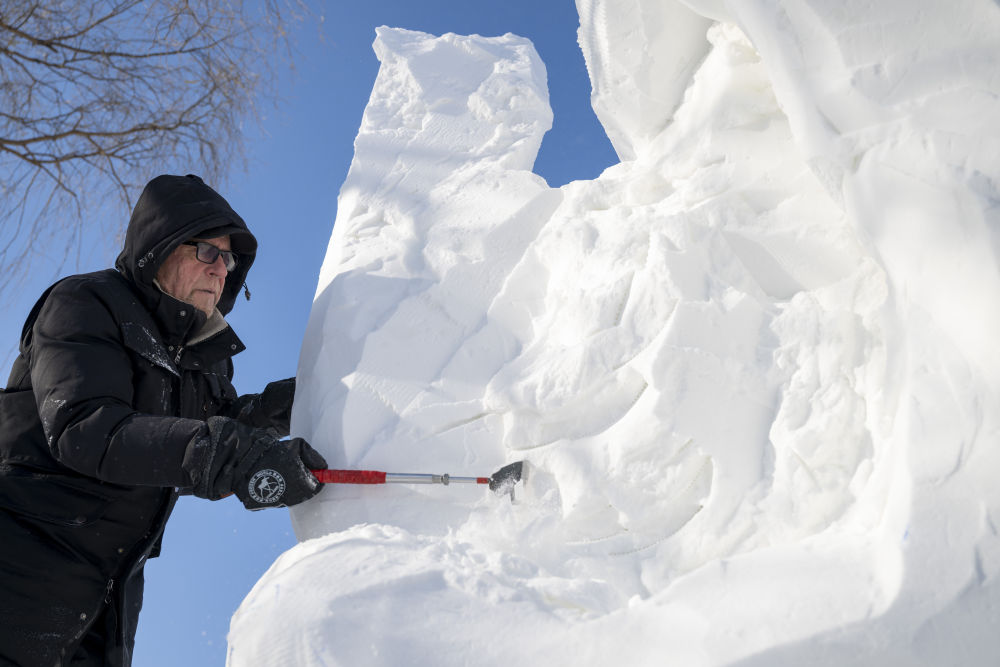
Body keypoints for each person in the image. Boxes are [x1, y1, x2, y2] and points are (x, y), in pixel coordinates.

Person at [0, 174, 327, 666]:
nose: (220, 269)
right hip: (20, 567)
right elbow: (86, 427)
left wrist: (281, 408)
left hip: (108, 600)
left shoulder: (203, 360)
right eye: (207, 251)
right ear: (160, 247)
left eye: (229, 260)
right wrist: (226, 455)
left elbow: (203, 432)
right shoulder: (85, 304)